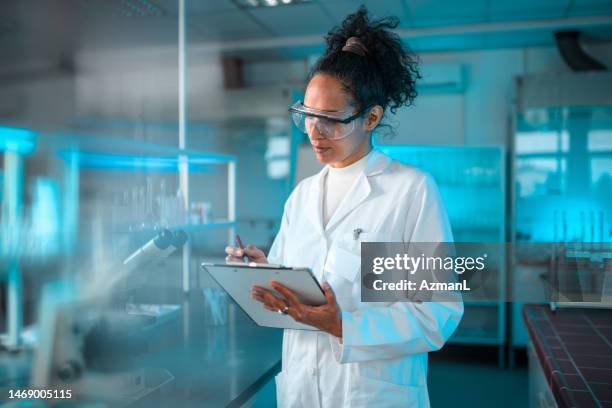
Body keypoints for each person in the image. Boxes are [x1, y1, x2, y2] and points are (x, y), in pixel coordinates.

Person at [225, 7, 463, 408]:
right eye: (307, 116)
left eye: (331, 120)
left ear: (371, 117)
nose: (315, 133)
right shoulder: (302, 195)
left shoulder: (409, 192)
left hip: (372, 394)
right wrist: (261, 270)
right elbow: (292, 284)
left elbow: (437, 314)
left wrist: (344, 325)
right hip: (302, 389)